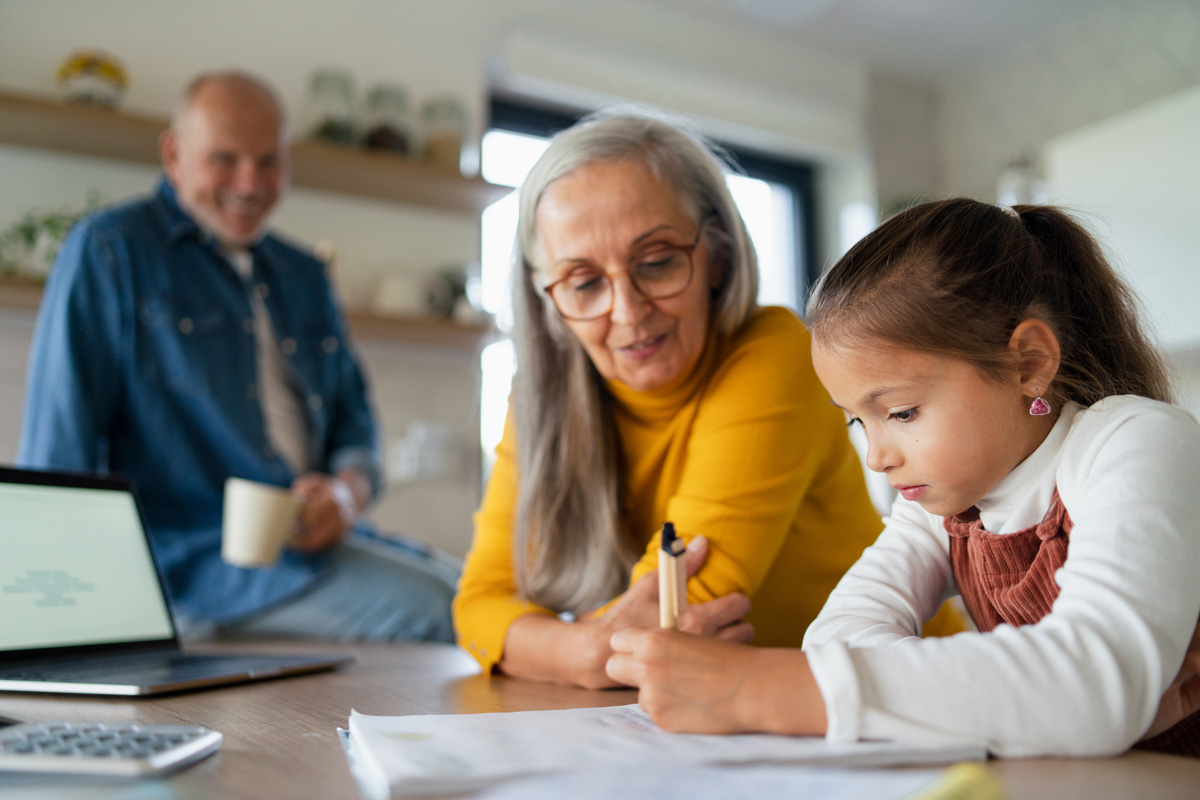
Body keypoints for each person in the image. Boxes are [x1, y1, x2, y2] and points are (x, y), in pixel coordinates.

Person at [607, 198, 1200, 758]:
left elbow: (1093, 685)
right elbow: (835, 641)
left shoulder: (1136, 442)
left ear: (1029, 364)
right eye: (858, 423)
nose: (877, 457)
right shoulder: (939, 508)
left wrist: (752, 686)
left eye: (902, 412)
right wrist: (1055, 708)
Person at [452, 110, 900, 689]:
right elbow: (478, 605)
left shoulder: (778, 353)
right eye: (585, 282)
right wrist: (588, 651)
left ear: (717, 255)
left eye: (657, 262)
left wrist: (555, 644)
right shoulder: (538, 401)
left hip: (896, 701)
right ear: (547, 300)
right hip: (734, 728)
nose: (628, 311)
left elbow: (671, 615)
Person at [18, 71, 457, 642]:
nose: (250, 184)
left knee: (479, 597)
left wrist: (346, 493)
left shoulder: (304, 274)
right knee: (445, 614)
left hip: (320, 547)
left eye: (268, 161)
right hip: (196, 571)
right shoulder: (110, 251)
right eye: (224, 159)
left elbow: (356, 419)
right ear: (174, 155)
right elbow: (59, 454)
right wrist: (59, 622)